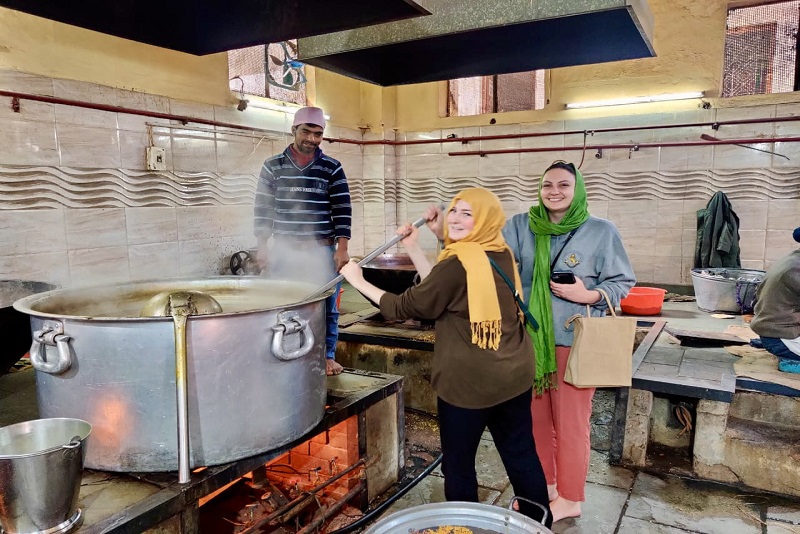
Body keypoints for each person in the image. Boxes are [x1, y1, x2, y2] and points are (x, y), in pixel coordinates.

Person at [340, 188, 553, 528]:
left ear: (485, 219)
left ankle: (462, 527)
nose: (454, 218)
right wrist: (414, 247)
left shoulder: (458, 263)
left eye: (467, 213)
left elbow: (405, 306)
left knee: (458, 464)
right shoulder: (498, 250)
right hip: (514, 374)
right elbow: (439, 291)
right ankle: (538, 524)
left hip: (470, 385)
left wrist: (358, 280)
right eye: (454, 210)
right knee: (521, 453)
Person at [254, 106, 351, 376]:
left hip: (321, 250)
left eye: (318, 134)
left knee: (327, 306)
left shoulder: (332, 167)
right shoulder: (273, 166)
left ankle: (326, 356)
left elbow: (342, 209)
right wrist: (262, 247)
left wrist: (342, 249)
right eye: (306, 132)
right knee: (283, 304)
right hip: (284, 251)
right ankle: (285, 354)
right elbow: (263, 208)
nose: (311, 139)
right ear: (294, 130)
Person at [749, 227, 800, 374]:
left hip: (771, 332)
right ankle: (789, 359)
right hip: (780, 338)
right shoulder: (796, 269)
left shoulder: (791, 259)